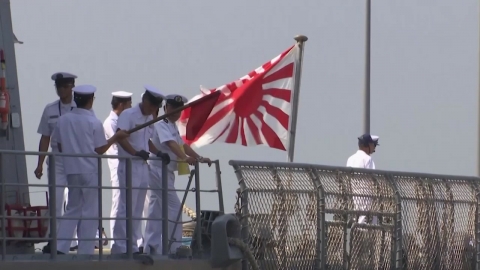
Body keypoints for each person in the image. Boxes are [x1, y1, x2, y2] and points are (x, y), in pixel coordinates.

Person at [54, 84, 129, 254]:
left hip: (71, 170)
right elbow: (100, 149)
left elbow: (59, 144)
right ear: (90, 100)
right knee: (90, 211)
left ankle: (60, 246)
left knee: (72, 209)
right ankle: (86, 249)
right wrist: (116, 137)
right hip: (89, 170)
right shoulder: (94, 122)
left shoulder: (63, 119)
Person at [144, 94, 212, 255]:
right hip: (158, 170)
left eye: (179, 110)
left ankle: (151, 246)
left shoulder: (171, 125)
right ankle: (173, 247)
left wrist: (199, 157)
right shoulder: (161, 124)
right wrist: (184, 158)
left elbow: (182, 145)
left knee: (155, 209)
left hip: (166, 171)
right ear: (166, 107)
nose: (176, 113)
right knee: (174, 207)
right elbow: (170, 144)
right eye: (173, 108)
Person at [111, 85, 169, 255]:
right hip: (129, 164)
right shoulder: (129, 115)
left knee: (137, 209)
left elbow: (147, 139)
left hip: (143, 165)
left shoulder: (149, 117)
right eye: (152, 106)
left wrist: (158, 152)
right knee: (125, 206)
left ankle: (133, 245)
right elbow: (120, 138)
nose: (153, 110)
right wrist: (135, 152)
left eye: (156, 108)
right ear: (145, 101)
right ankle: (120, 246)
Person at [35, 72, 79, 253]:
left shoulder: (80, 108)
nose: (61, 90)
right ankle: (55, 241)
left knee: (75, 202)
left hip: (76, 158)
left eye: (64, 86)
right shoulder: (50, 109)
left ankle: (71, 241)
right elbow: (45, 138)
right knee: (55, 201)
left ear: (72, 87)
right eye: (58, 86)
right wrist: (39, 163)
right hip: (58, 160)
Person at [104, 91, 133, 248]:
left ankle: (127, 240)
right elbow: (121, 141)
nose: (131, 107)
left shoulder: (122, 120)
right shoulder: (111, 122)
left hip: (126, 165)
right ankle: (117, 242)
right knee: (119, 204)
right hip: (117, 166)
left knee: (127, 205)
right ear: (122, 105)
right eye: (129, 104)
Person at [138, 105, 160, 254]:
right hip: (150, 168)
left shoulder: (154, 125)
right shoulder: (147, 125)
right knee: (148, 207)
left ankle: (149, 243)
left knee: (150, 208)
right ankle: (146, 243)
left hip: (149, 169)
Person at [346, 134, 376, 224]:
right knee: (366, 220)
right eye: (371, 144)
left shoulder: (350, 158)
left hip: (354, 193)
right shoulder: (367, 159)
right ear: (367, 145)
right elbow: (373, 178)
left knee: (357, 218)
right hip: (366, 193)